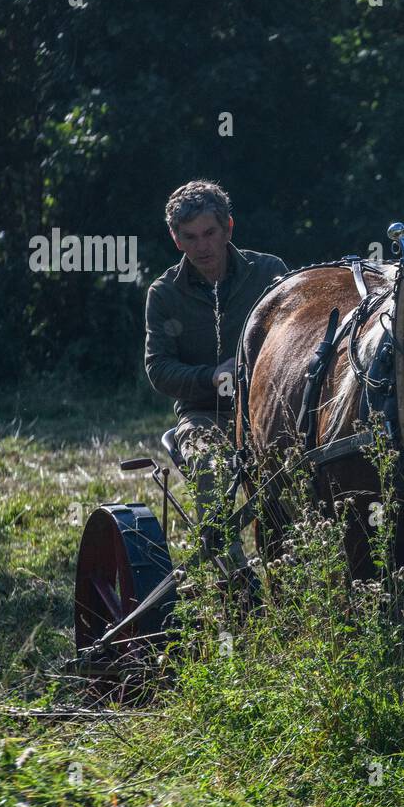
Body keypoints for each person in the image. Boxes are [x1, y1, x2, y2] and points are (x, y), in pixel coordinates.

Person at [144, 180, 287, 575]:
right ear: (176, 239)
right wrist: (212, 377)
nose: (202, 246)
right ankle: (233, 581)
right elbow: (158, 369)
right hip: (205, 416)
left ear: (228, 228)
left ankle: (300, 574)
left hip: (271, 413)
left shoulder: (271, 273)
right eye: (189, 237)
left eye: (209, 233)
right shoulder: (164, 293)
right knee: (210, 464)